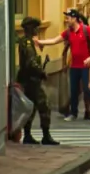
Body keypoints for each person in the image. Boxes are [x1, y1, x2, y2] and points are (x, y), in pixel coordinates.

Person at [14, 18, 64, 146]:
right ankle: (45, 135)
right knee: (44, 106)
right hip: (32, 81)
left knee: (32, 107)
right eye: (35, 27)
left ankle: (28, 135)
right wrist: (41, 72)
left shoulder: (26, 42)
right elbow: (31, 63)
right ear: (29, 28)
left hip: (29, 80)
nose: (37, 30)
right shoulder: (28, 44)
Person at [60, 10, 90, 122]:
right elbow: (65, 49)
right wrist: (64, 64)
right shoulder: (69, 33)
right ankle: (75, 111)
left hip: (87, 65)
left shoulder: (87, 31)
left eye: (68, 18)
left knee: (87, 88)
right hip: (74, 65)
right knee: (75, 89)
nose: (66, 20)